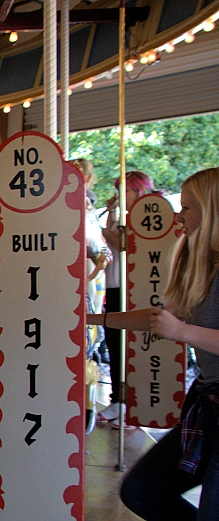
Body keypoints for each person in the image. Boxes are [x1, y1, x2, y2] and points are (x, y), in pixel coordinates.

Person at [89, 167, 219, 521]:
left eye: (187, 206)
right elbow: (156, 318)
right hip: (207, 407)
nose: (179, 213)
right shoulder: (199, 263)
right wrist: (93, 322)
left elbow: (178, 326)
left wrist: (183, 330)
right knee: (144, 489)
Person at [99, 170, 156, 427]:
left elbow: (125, 243)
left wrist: (99, 226)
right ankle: (118, 399)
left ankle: (133, 402)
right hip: (113, 285)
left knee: (129, 346)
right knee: (114, 344)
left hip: (130, 287)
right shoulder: (120, 216)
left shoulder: (143, 218)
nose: (121, 196)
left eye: (127, 191)